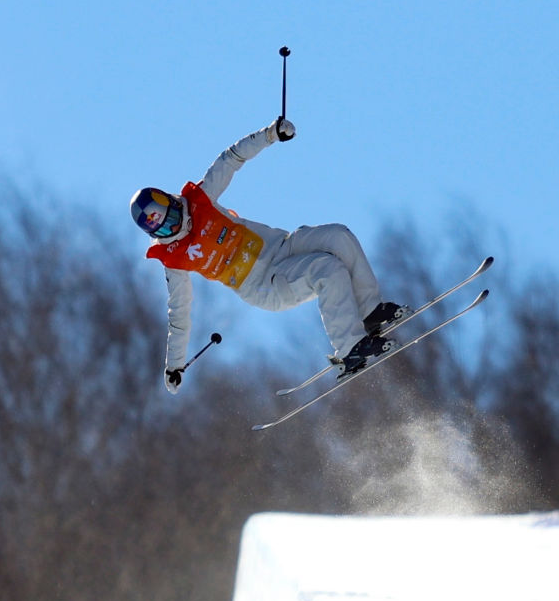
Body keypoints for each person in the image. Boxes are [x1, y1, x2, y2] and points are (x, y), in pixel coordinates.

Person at [130, 118, 408, 394]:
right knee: (328, 269)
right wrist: (174, 365)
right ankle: (349, 349)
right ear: (156, 233)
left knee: (339, 237)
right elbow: (179, 313)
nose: (176, 225)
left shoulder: (199, 199)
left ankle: (370, 312)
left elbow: (231, 158)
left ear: (171, 199)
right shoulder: (174, 259)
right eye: (166, 228)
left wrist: (270, 134)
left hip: (283, 247)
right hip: (265, 284)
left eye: (173, 215)